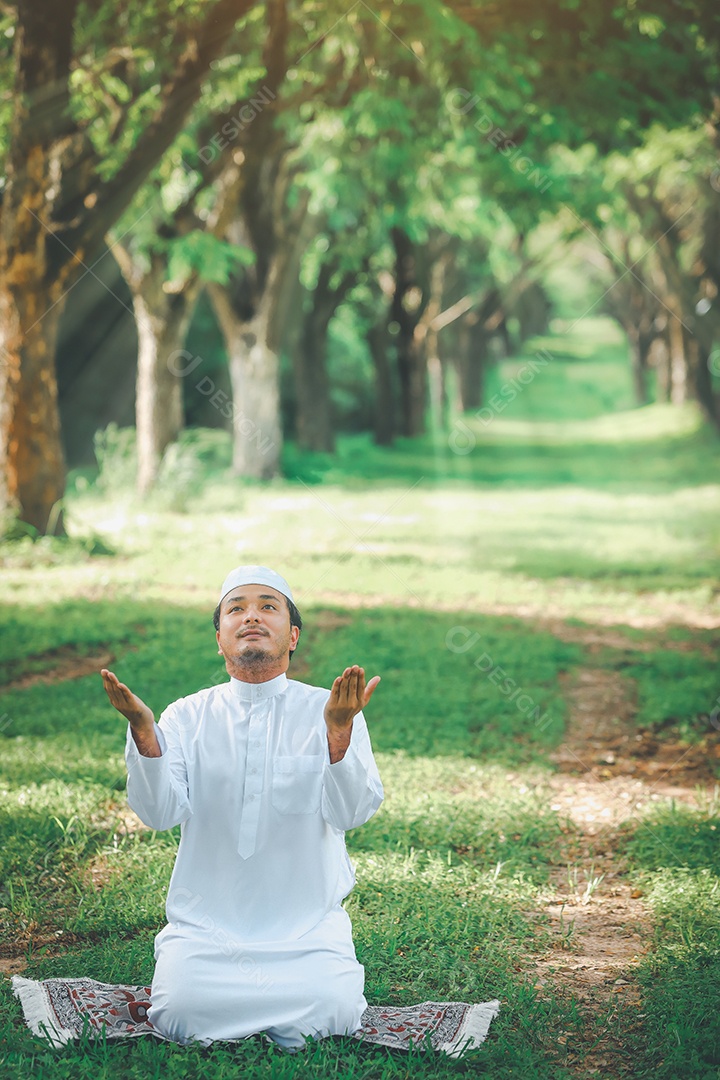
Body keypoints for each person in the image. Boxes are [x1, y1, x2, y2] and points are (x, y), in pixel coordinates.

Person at [101, 565, 383, 1049]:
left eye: (268, 606)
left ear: (292, 636)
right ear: (220, 639)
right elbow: (159, 813)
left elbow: (351, 813)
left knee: (333, 1017)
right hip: (207, 935)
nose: (252, 616)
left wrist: (339, 734)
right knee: (180, 1017)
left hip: (307, 934)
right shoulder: (186, 715)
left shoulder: (332, 710)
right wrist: (145, 734)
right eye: (237, 608)